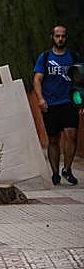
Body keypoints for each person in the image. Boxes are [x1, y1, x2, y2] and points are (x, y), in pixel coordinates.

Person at [33, 24, 80, 185]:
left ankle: (67, 169)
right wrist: (40, 99)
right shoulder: (45, 57)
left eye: (63, 36)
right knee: (53, 139)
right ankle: (55, 172)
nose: (60, 39)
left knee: (72, 135)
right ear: (52, 37)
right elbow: (37, 79)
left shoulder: (74, 57)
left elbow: (80, 81)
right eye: (57, 36)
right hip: (50, 103)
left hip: (69, 102)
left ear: (66, 38)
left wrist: (80, 101)